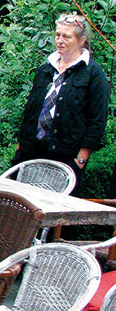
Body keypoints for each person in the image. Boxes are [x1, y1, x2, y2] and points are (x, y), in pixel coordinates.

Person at [15, 13, 109, 195]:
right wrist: (22, 144)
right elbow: (30, 110)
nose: (60, 40)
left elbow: (97, 119)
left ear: (81, 41)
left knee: (54, 214)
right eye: (57, 35)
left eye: (66, 36)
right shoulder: (45, 69)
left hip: (66, 157)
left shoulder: (93, 74)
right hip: (31, 152)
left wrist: (81, 158)